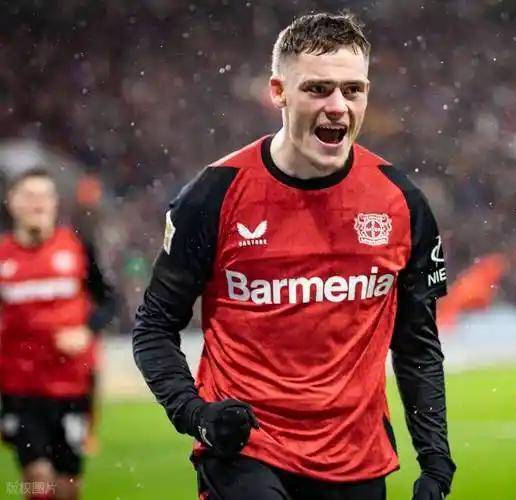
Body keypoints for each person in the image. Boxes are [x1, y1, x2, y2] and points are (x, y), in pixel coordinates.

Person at [132, 12, 454, 500]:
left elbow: (416, 346)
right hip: (248, 453)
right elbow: (154, 326)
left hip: (357, 461)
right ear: (278, 92)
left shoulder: (402, 202)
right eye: (318, 89)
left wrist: (435, 462)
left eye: (352, 90)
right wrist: (197, 415)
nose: (338, 107)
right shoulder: (214, 194)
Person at [0, 168, 116, 500]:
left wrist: (86, 331)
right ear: (12, 203)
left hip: (71, 385)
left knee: (67, 486)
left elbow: (108, 300)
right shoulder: (3, 256)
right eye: (28, 196)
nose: (37, 203)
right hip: (19, 388)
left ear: (54, 203)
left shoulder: (77, 247)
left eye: (43, 196)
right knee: (38, 479)